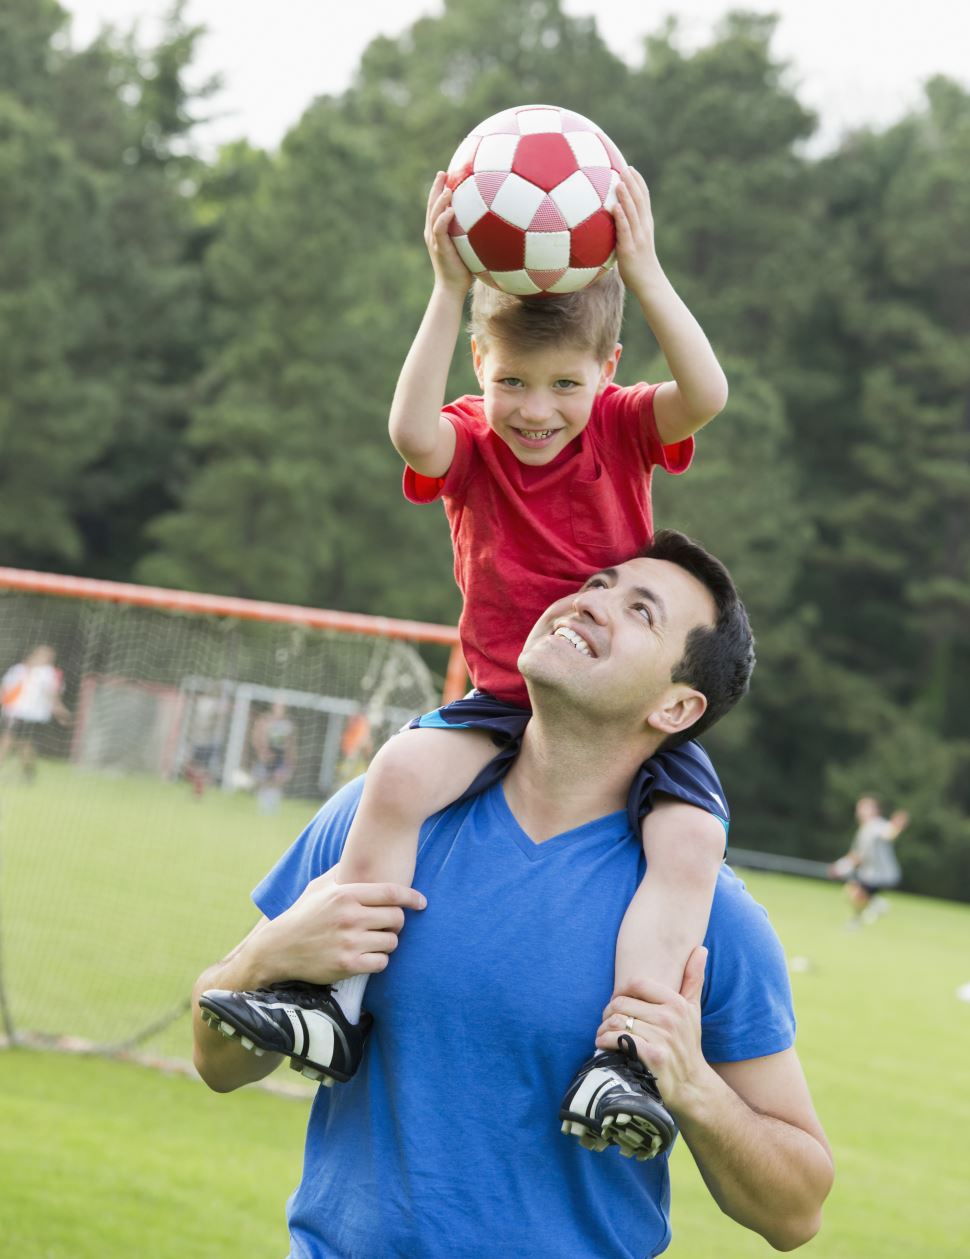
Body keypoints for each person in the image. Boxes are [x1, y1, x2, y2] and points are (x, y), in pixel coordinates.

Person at [203, 165, 734, 1157]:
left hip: (610, 717)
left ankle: (622, 1058)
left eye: (566, 383)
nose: (537, 409)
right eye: (511, 382)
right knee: (400, 771)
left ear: (608, 369)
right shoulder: (471, 441)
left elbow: (706, 391)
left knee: (690, 840)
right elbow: (409, 433)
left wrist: (645, 268)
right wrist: (447, 289)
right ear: (478, 366)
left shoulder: (621, 427)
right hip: (501, 698)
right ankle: (332, 1001)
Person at [194, 540, 833, 1257]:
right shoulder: (382, 817)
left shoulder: (708, 916)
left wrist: (693, 1086)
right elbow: (216, 1062)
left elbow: (796, 1213)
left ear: (677, 706)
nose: (590, 602)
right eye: (598, 583)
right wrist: (263, 957)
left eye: (641, 612)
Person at [832, 794, 909, 927]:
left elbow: (889, 834)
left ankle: (872, 908)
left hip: (881, 875)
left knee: (854, 892)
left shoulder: (876, 825)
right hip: (870, 873)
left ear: (874, 810)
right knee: (853, 892)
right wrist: (841, 866)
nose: (859, 812)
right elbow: (857, 855)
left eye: (863, 808)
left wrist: (898, 824)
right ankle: (870, 909)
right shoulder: (865, 829)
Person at [0, 645, 71, 782]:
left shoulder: (49, 674)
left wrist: (59, 710)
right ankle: (29, 774)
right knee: (9, 740)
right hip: (14, 712)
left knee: (22, 743)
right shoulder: (18, 670)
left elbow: (52, 694)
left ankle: (29, 771)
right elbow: (4, 689)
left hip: (33, 715)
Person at [250, 701, 297, 814]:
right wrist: (262, 751)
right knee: (264, 779)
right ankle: (262, 807)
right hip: (267, 754)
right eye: (278, 707)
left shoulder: (288, 724)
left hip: (281, 756)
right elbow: (256, 737)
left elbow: (291, 744)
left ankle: (273, 809)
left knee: (278, 780)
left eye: (282, 707)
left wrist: (291, 758)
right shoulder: (265, 721)